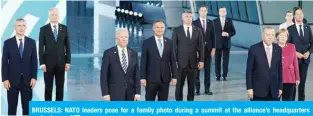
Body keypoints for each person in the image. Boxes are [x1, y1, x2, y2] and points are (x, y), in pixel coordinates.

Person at [2, 18, 37, 115]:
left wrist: (34, 77)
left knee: (27, 109)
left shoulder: (31, 42)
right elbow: (4, 62)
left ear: (26, 27)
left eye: (23, 25)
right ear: (14, 27)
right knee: (12, 109)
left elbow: (34, 61)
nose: (21, 28)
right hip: (12, 81)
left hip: (28, 81)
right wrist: (5, 79)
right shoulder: (8, 43)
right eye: (19, 25)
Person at [39, 8, 71, 101]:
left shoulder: (64, 28)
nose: (54, 16)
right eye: (52, 15)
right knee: (48, 87)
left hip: (61, 63)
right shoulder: (43, 29)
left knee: (60, 87)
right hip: (48, 64)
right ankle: (48, 109)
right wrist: (42, 63)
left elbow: (68, 47)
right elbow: (41, 48)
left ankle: (58, 108)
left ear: (58, 15)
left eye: (56, 14)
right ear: (49, 16)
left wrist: (68, 62)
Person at [140, 20, 177, 101]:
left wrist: (174, 77)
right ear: (153, 28)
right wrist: (142, 78)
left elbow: (173, 61)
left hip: (165, 79)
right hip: (150, 79)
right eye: (157, 27)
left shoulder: (170, 42)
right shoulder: (147, 42)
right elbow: (143, 62)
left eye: (161, 27)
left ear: (164, 29)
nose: (159, 29)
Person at [100, 28, 141, 101]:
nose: (124, 39)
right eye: (122, 37)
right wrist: (105, 93)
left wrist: (137, 93)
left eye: (126, 37)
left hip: (130, 94)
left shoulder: (134, 53)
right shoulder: (108, 53)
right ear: (116, 38)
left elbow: (136, 74)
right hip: (114, 93)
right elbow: (103, 75)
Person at [172, 10, 204, 101]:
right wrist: (174, 62)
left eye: (190, 17)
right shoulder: (177, 30)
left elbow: (201, 46)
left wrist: (201, 60)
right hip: (180, 63)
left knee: (191, 86)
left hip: (193, 63)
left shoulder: (197, 30)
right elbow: (174, 47)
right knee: (179, 86)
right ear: (182, 18)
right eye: (186, 16)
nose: (189, 18)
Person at [246, 27, 282, 101]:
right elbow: (249, 70)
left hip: (274, 91)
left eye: (272, 35)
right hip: (258, 91)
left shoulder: (278, 49)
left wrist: (280, 87)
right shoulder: (254, 49)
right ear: (263, 35)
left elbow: (280, 69)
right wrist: (249, 88)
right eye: (268, 35)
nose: (270, 37)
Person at [287, 7, 313, 101]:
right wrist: (295, 53)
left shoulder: (307, 27)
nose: (299, 15)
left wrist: (309, 52)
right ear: (294, 16)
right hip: (293, 61)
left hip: (305, 60)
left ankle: (301, 105)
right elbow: (287, 45)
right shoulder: (290, 29)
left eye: (301, 13)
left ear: (303, 15)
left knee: (302, 84)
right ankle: (292, 105)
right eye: (297, 14)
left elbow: (312, 43)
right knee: (293, 84)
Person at [192, 5, 215, 95]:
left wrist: (214, 48)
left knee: (208, 71)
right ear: (199, 12)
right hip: (197, 51)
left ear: (207, 12)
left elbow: (213, 36)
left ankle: (207, 89)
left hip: (208, 50)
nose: (203, 12)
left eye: (205, 11)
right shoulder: (194, 23)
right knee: (196, 71)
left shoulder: (210, 22)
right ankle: (196, 89)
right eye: (202, 11)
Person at [276, 29, 300, 101]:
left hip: (290, 78)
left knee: (288, 102)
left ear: (287, 37)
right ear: (277, 37)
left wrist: (297, 78)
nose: (283, 37)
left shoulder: (292, 46)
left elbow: (295, 63)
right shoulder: (273, 47)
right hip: (276, 79)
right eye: (281, 35)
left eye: (285, 36)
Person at [213, 7, 236, 81]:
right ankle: (218, 76)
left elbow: (234, 32)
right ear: (219, 12)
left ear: (226, 12)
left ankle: (225, 75)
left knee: (226, 60)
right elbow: (211, 33)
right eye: (221, 11)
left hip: (226, 44)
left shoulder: (229, 21)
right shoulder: (214, 21)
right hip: (217, 44)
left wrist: (228, 34)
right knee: (217, 60)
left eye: (224, 11)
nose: (223, 12)